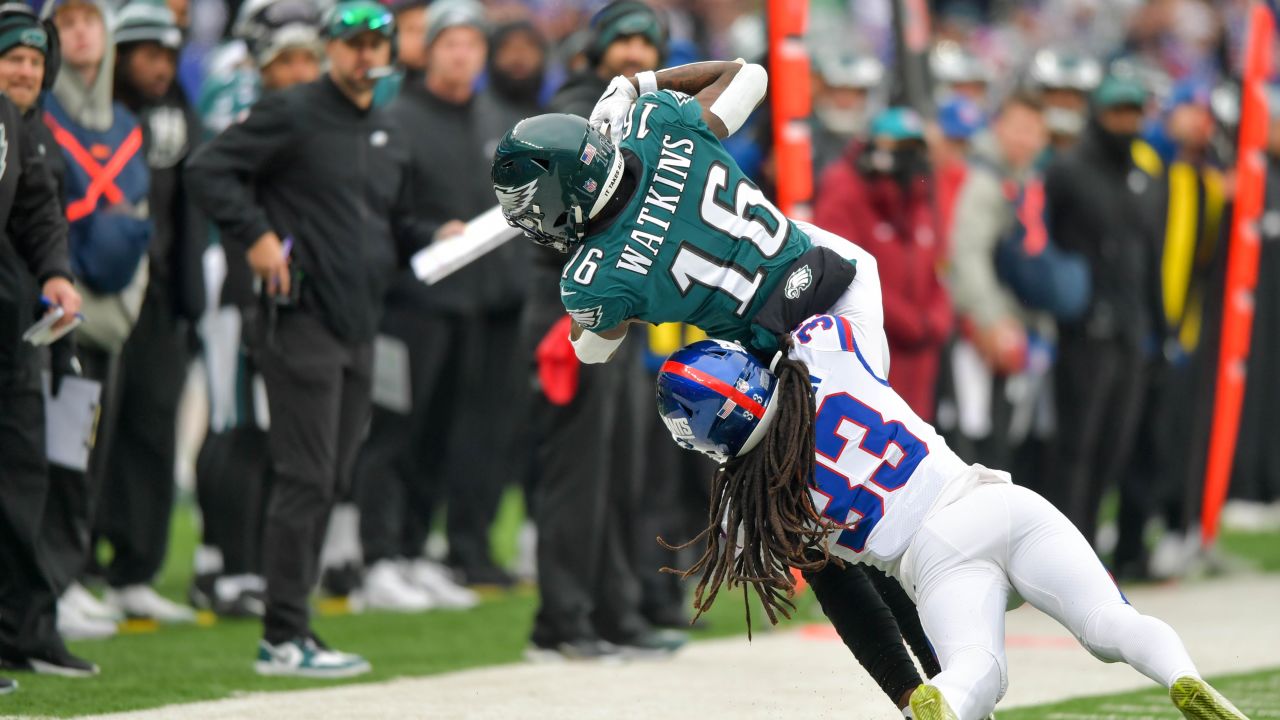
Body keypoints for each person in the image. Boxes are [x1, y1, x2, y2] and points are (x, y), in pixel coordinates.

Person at [493, 59, 941, 712]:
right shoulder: (657, 126)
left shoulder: (593, 277)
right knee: (831, 521)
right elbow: (750, 74)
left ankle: (932, 685)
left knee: (830, 527)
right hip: (829, 276)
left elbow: (592, 349)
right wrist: (646, 83)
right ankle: (937, 679)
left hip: (808, 332)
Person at [651, 318, 1251, 720]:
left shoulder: (754, 507)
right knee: (1109, 622)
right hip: (993, 500)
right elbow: (846, 268)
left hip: (933, 559)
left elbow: (844, 596)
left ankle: (942, 700)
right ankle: (1179, 674)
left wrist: (907, 690)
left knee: (977, 671)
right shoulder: (825, 350)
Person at [186, 0, 445, 678]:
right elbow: (208, 169)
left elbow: (392, 225)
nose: (364, 55)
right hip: (300, 320)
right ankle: (282, 637)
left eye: (375, 44)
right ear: (332, 48)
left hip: (362, 325)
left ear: (388, 53)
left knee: (329, 476)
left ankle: (292, 630)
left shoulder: (387, 129)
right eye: (352, 43)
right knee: (305, 477)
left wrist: (436, 238)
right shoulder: (294, 111)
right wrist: (259, 238)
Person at [506, 0, 688, 663]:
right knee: (578, 476)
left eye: (649, 41)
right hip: (574, 312)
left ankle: (616, 612)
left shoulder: (644, 118)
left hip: (624, 313)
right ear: (598, 48)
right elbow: (544, 223)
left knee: (619, 475)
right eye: (625, 40)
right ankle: (559, 623)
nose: (638, 52)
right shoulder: (581, 114)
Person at [350, 0, 495, 611]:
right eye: (450, 43)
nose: (461, 54)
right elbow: (379, 211)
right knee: (393, 434)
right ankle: (377, 559)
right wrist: (427, 233)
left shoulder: (490, 117)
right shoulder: (398, 117)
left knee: (442, 435)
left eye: (471, 44)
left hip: (469, 305)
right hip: (407, 302)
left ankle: (413, 551)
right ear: (428, 50)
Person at [189, 0, 323, 618]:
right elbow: (217, 176)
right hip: (240, 267)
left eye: (306, 58)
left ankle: (227, 559)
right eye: (288, 58)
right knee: (235, 419)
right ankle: (227, 562)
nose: (300, 69)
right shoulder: (246, 96)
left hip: (275, 271)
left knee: (257, 424)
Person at [43, 0, 154, 632]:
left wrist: (126, 302)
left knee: (91, 450)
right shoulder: (42, 118)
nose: (82, 33)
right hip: (61, 310)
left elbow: (141, 222)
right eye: (68, 23)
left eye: (92, 21)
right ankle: (50, 579)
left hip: (112, 313)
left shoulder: (124, 124)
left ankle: (73, 571)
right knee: (57, 453)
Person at [95, 0, 204, 624]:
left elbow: (189, 203)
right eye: (147, 55)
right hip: (101, 293)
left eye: (168, 56)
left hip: (160, 298)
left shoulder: (177, 112)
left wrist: (190, 294)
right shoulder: (92, 114)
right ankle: (76, 564)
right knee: (89, 433)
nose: (160, 67)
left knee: (152, 431)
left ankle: (136, 569)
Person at [0, 3, 95, 684]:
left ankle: (24, 631)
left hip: (20, 341)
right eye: (13, 59)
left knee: (26, 483)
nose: (25, 71)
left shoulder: (33, 135)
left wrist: (58, 274)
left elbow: (39, 211)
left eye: (35, 61)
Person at [1044, 74, 1162, 548]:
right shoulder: (1068, 169)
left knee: (1113, 448)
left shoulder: (1143, 176)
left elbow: (1148, 257)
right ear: (1098, 114)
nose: (1126, 122)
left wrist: (1159, 326)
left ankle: (1088, 549)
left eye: (1133, 112)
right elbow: (1045, 240)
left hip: (1130, 331)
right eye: (1117, 112)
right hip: (1084, 330)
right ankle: (1059, 550)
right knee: (1076, 449)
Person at [815, 107, 951, 421]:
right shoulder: (845, 188)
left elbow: (939, 267)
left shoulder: (920, 192)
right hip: (871, 350)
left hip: (920, 360)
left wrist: (937, 319)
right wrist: (910, 322)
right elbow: (843, 269)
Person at [943, 92, 1054, 478]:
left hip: (1015, 322)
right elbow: (967, 253)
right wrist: (991, 320)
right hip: (981, 328)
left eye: (1035, 132)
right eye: (1019, 128)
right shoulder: (985, 178)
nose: (1027, 140)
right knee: (975, 440)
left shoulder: (1024, 178)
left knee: (1007, 436)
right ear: (998, 126)